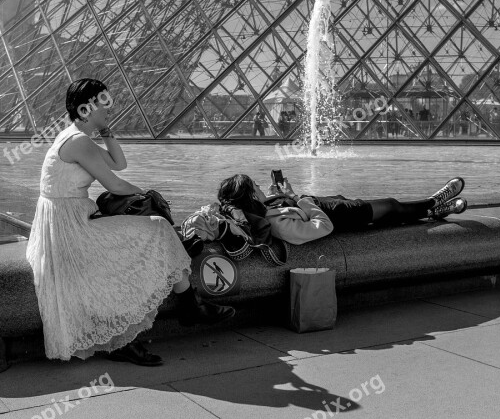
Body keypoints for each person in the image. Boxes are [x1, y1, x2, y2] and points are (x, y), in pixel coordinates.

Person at [26, 79, 235, 367]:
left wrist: (104, 128)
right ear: (86, 108)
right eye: (104, 102)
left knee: (150, 234)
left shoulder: (77, 136)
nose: (110, 106)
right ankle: (186, 307)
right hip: (70, 229)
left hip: (70, 220)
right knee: (158, 228)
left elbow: (118, 162)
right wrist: (147, 193)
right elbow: (114, 183)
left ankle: (184, 309)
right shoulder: (77, 142)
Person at [217, 174, 467, 245]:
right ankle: (435, 201)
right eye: (257, 186)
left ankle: (434, 212)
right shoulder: (276, 224)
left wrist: (283, 194)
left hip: (334, 204)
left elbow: (291, 206)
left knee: (391, 215)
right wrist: (299, 199)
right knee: (391, 206)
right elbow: (323, 227)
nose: (261, 187)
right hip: (341, 216)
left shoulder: (264, 207)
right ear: (250, 195)